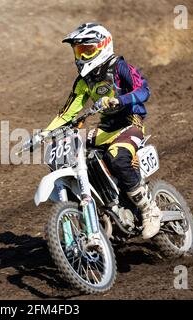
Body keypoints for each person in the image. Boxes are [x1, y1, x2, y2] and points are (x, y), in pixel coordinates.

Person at [44, 23, 162, 239]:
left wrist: (119, 100)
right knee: (77, 152)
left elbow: (143, 89)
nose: (82, 55)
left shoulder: (118, 67)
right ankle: (105, 203)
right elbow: (67, 113)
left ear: (103, 45)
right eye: (78, 51)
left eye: (87, 50)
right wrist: (43, 134)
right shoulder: (84, 81)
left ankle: (149, 210)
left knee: (117, 157)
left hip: (130, 123)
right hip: (106, 129)